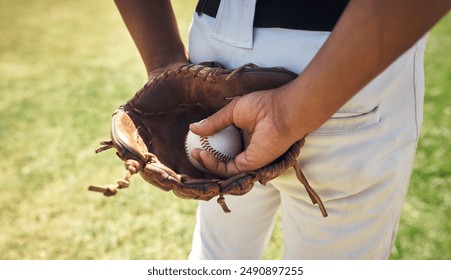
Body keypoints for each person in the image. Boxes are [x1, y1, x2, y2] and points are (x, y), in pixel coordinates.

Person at [113, 0, 450, 259]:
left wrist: (162, 57)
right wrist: (287, 118)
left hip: (214, 51)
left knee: (216, 260)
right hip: (338, 62)